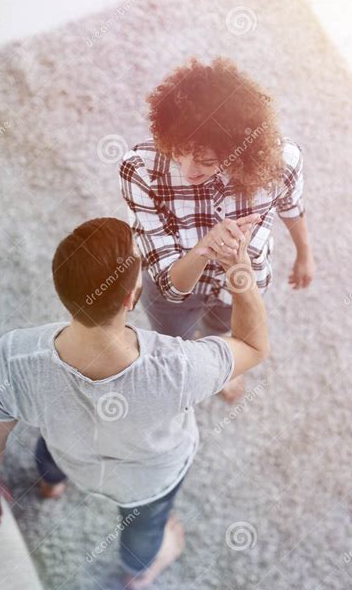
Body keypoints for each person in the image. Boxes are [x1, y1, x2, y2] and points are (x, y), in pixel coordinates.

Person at [0, 216, 269, 590]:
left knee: (49, 448)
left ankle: (50, 485)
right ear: (130, 298)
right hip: (147, 482)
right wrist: (239, 270)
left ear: (62, 288)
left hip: (70, 454)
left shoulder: (12, 357)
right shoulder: (179, 367)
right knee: (146, 527)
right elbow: (254, 346)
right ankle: (138, 571)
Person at [119, 56, 315, 402]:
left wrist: (305, 253)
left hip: (240, 283)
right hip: (173, 294)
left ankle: (223, 368)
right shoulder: (140, 170)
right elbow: (170, 287)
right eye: (179, 151)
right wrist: (205, 248)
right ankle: (193, 374)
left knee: (224, 330)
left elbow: (291, 207)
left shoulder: (282, 161)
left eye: (207, 161)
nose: (188, 169)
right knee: (174, 344)